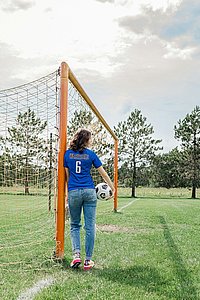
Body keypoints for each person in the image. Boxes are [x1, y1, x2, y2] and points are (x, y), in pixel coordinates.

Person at [64, 128, 115, 270]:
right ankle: (88, 261)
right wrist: (113, 188)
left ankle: (76, 256)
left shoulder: (67, 155)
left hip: (73, 191)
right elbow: (103, 174)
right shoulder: (91, 154)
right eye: (90, 139)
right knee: (90, 226)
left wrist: (67, 195)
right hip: (89, 192)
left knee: (74, 225)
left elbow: (67, 178)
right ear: (86, 140)